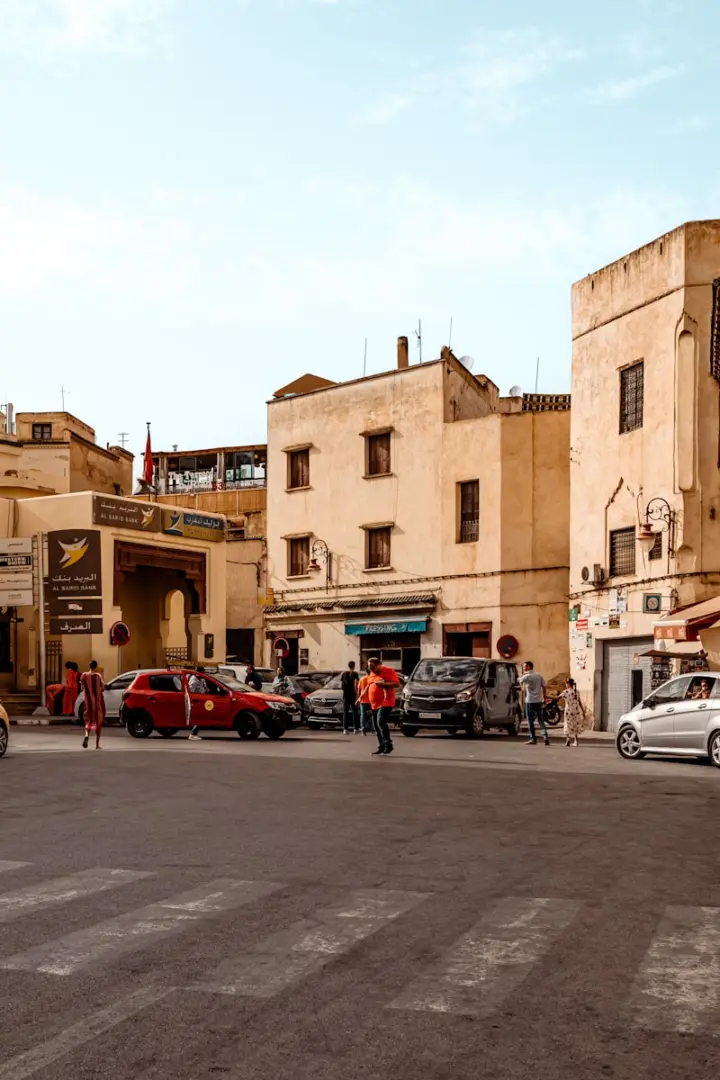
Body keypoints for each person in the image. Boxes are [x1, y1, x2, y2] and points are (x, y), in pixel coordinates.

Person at [367, 657, 400, 756]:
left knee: (380, 721)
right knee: (376, 726)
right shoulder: (372, 673)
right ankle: (381, 746)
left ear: (379, 665)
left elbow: (396, 684)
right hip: (374, 704)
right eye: (370, 668)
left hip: (386, 702)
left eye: (374, 668)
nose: (373, 670)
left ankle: (388, 745)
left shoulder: (388, 671)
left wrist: (383, 684)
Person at [519, 660, 549, 746]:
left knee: (530, 721)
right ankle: (545, 736)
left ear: (528, 667)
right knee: (540, 720)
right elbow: (544, 686)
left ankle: (533, 739)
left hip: (530, 701)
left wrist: (522, 676)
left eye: (525, 666)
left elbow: (519, 682)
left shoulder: (526, 676)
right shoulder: (538, 675)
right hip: (539, 701)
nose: (524, 668)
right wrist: (544, 697)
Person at [80, 660, 105, 750]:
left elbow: (82, 687)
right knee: (98, 722)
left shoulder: (84, 675)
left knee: (88, 721)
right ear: (96, 666)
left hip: (88, 703)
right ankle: (97, 744)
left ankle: (86, 736)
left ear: (89, 666)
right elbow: (102, 688)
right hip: (98, 703)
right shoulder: (98, 676)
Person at [560, 677, 586, 747]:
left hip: (568, 710)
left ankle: (568, 739)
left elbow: (557, 698)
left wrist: (548, 696)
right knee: (575, 724)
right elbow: (579, 701)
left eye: (566, 683)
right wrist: (583, 711)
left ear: (568, 684)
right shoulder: (576, 691)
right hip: (576, 710)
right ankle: (576, 741)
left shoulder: (565, 692)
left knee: (567, 724)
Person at [187, 667, 208, 741]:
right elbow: (191, 691)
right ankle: (193, 734)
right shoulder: (193, 679)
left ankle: (194, 733)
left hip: (204, 699)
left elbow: (205, 687)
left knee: (202, 717)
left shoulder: (202, 679)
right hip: (197, 700)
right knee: (200, 717)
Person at [341, 661, 360, 734]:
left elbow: (342, 685)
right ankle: (356, 728)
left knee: (345, 712)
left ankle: (345, 729)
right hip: (353, 695)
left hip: (345, 695)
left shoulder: (344, 674)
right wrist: (357, 695)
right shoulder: (355, 674)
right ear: (354, 666)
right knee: (355, 712)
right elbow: (356, 684)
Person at [357, 665, 373, 736]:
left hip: (363, 700)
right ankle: (374, 729)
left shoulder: (362, 679)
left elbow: (359, 690)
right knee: (373, 715)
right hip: (372, 700)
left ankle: (363, 730)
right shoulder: (372, 679)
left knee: (363, 715)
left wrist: (358, 698)